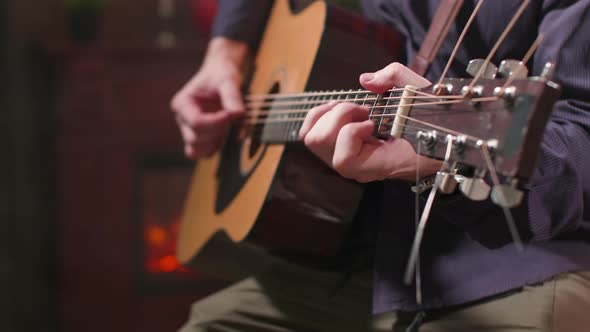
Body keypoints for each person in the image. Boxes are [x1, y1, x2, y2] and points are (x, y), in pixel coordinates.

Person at [171, 0, 590, 331]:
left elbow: (580, 133)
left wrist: (432, 155)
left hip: (515, 261)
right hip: (368, 252)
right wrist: (226, 51)